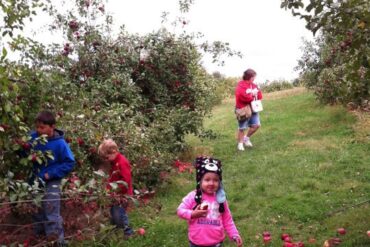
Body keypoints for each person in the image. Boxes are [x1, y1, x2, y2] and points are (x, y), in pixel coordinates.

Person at [30, 110, 75, 246]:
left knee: (51, 210)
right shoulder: (33, 138)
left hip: (52, 181)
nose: (39, 130)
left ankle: (57, 241)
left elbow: (69, 162)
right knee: (36, 209)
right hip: (35, 180)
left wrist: (51, 174)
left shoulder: (60, 144)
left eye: (42, 127)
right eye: (37, 127)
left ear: (52, 127)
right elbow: (24, 151)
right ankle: (40, 238)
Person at [177, 156, 243, 247]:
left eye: (215, 180)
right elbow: (180, 211)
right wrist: (193, 214)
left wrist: (234, 234)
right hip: (196, 243)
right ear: (200, 181)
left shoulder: (221, 199)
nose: (211, 183)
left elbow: (227, 219)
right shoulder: (193, 196)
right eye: (207, 180)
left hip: (216, 243)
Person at [98, 139, 134, 237]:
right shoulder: (115, 162)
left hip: (123, 195)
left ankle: (128, 232)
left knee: (119, 214)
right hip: (116, 194)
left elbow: (126, 181)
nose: (106, 159)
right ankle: (116, 232)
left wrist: (116, 191)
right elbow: (114, 178)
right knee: (114, 213)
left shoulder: (122, 162)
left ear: (113, 152)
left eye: (107, 157)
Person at [235, 69, 263, 151]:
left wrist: (257, 91)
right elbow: (242, 97)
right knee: (242, 127)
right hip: (243, 109)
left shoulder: (254, 85)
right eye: (254, 77)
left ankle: (246, 139)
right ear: (250, 77)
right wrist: (252, 94)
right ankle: (240, 144)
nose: (254, 78)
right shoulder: (241, 85)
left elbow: (260, 96)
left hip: (253, 108)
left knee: (256, 125)